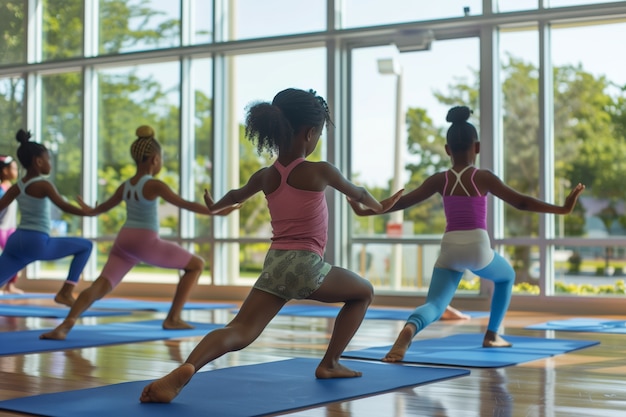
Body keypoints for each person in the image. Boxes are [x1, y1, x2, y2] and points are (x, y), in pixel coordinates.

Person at [139, 88, 402, 404]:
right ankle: (330, 363)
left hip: (275, 263)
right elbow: (357, 192)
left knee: (239, 330)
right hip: (306, 265)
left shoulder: (266, 176)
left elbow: (235, 195)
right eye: (318, 133)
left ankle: (188, 367)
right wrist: (379, 206)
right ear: (308, 133)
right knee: (364, 292)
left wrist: (214, 205)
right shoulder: (320, 170)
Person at [348, 105, 585, 362]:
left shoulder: (440, 180)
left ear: (448, 150)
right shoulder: (482, 177)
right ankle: (492, 334)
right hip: (478, 246)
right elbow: (521, 202)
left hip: (450, 246)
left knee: (436, 305)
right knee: (506, 277)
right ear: (478, 147)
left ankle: (409, 329)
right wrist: (562, 209)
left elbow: (401, 202)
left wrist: (365, 211)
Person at [40, 125, 238, 340]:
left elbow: (101, 209)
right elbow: (184, 204)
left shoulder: (126, 185)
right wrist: (216, 211)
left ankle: (65, 326)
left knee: (99, 285)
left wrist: (90, 210)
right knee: (196, 264)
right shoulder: (154, 185)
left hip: (124, 241)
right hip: (145, 241)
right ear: (155, 159)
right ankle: (172, 319)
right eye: (161, 159)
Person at [0, 130, 94, 306]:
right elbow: (63, 205)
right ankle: (65, 293)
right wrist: (88, 212)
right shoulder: (43, 184)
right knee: (86, 246)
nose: (50, 163)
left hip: (16, 241)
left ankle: (65, 293)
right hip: (37, 242)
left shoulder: (17, 186)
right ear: (38, 161)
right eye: (48, 159)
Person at [0, 155, 22, 294]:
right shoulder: (2, 189)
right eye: (14, 168)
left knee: (17, 255)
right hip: (1, 228)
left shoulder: (14, 188)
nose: (17, 171)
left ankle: (10, 285)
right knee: (5, 257)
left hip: (11, 227)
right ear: (5, 171)